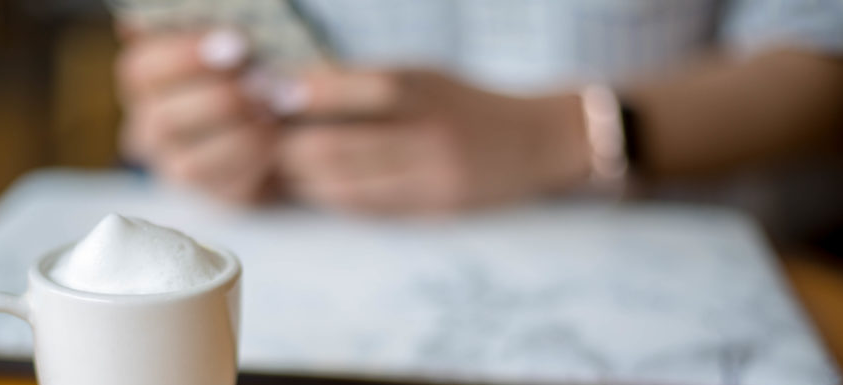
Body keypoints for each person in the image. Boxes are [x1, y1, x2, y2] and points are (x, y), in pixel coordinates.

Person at [113, 0, 843, 226]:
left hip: (695, 275)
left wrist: (555, 136)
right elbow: (165, 44)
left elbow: (823, 54)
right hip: (314, 270)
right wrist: (194, 121)